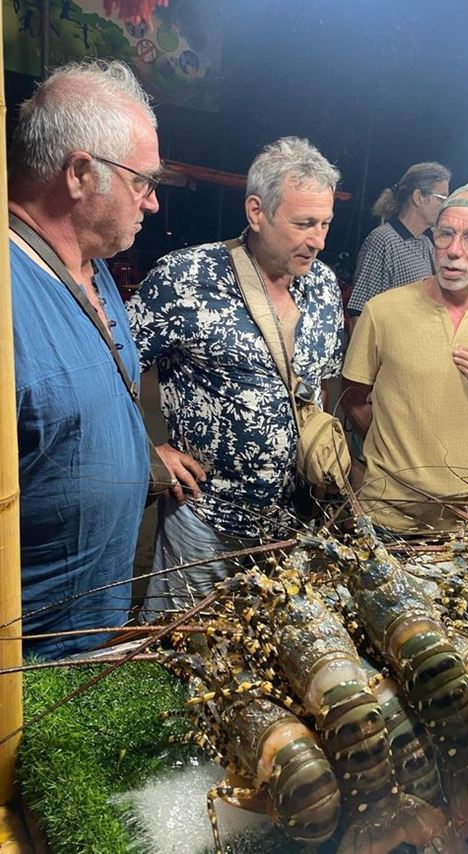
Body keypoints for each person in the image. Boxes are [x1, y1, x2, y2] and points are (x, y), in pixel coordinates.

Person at [127, 137, 344, 615]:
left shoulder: (325, 286)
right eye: (304, 224)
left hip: (293, 526)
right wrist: (146, 450)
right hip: (205, 522)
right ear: (256, 211)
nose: (319, 240)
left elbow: (318, 388)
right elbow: (110, 369)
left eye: (325, 223)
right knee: (177, 646)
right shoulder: (186, 277)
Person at [10, 60, 162, 658]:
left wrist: (143, 457)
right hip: (28, 659)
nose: (152, 203)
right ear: (79, 174)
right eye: (142, 182)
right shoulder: (7, 292)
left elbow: (85, 402)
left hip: (93, 627)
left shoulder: (92, 265)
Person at [342, 183, 468, 535]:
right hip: (386, 516)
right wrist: (397, 452)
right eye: (445, 233)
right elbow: (353, 397)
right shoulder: (383, 311)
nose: (454, 250)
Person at [346, 161, 451, 324]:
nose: (445, 206)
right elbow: (359, 311)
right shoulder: (383, 240)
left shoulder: (426, 244)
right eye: (442, 198)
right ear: (418, 197)